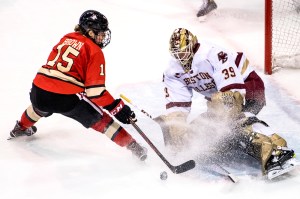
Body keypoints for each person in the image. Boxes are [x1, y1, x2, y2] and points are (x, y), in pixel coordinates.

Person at [156, 28, 296, 179]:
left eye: (183, 52)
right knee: (203, 129)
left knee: (234, 119)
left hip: (249, 86)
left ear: (193, 45)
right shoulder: (172, 70)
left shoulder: (211, 54)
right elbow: (178, 107)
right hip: (218, 98)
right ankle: (233, 140)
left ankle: (277, 152)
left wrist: (224, 118)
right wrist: (176, 127)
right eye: (176, 54)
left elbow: (231, 94)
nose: (180, 57)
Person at [8, 10, 147, 161]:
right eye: (98, 33)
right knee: (102, 120)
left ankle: (20, 128)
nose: (102, 37)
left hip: (38, 91)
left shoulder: (66, 38)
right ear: (88, 31)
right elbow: (95, 92)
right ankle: (134, 147)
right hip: (65, 98)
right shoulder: (94, 51)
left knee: (41, 106)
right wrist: (117, 107)